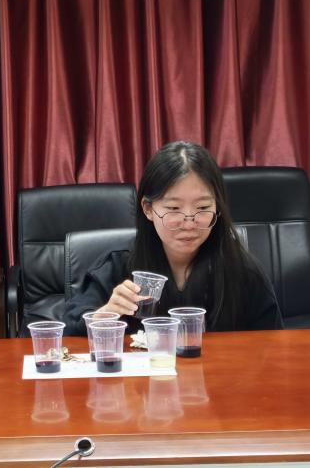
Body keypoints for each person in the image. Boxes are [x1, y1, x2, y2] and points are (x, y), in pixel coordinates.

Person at [64, 141, 283, 335]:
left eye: (202, 207)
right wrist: (105, 315)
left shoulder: (243, 271)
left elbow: (272, 345)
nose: (189, 223)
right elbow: (70, 329)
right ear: (148, 209)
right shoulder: (117, 265)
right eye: (174, 208)